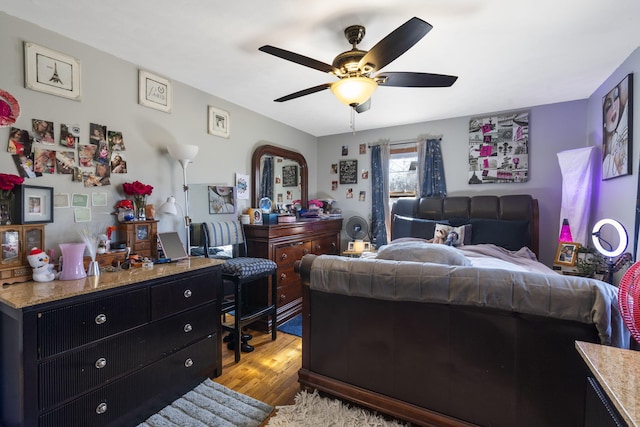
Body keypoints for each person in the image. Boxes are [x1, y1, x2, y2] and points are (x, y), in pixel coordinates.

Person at [602, 78, 630, 179]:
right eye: (609, 106)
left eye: (616, 97)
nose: (614, 107)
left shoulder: (625, 133)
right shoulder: (606, 162)